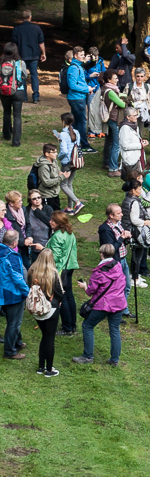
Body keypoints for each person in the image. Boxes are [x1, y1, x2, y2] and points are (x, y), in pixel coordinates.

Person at [74, 243, 126, 365]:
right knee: (114, 330)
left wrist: (84, 286)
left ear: (101, 254)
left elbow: (90, 291)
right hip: (119, 303)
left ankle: (87, 357)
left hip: (104, 305)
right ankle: (114, 360)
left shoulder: (99, 272)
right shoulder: (118, 266)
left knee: (87, 325)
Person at [26, 251, 63, 376]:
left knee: (44, 336)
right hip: (51, 309)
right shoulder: (53, 274)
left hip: (37, 309)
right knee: (49, 338)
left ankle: (41, 367)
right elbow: (59, 292)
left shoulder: (32, 272)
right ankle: (49, 369)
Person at [46, 211, 77, 337]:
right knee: (69, 296)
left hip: (60, 270)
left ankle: (67, 328)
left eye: (53, 221)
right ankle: (72, 325)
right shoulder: (69, 233)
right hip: (70, 266)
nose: (50, 222)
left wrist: (43, 250)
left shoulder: (58, 236)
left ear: (59, 223)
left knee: (61, 298)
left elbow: (55, 257)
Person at [0, 228, 27, 360]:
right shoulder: (12, 256)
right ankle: (10, 351)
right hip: (12, 294)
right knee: (14, 323)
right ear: (15, 244)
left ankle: (18, 342)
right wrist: (27, 292)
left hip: (2, 293)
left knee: (14, 320)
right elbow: (18, 278)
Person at [63, 47, 92, 153]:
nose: (83, 56)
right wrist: (86, 89)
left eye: (84, 54)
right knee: (81, 122)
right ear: (75, 56)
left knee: (75, 122)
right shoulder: (74, 68)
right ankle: (84, 145)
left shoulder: (78, 66)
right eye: (81, 55)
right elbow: (72, 85)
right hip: (76, 98)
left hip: (79, 97)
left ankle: (74, 143)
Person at [11, 9, 44, 103]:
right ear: (30, 17)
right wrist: (43, 53)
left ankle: (24, 97)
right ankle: (36, 97)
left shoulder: (17, 29)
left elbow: (14, 44)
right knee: (34, 75)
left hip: (21, 56)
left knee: (22, 76)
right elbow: (41, 42)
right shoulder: (36, 28)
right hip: (34, 56)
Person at [1, 42, 26, 145]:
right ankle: (16, 141)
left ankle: (6, 134)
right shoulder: (20, 62)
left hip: (3, 90)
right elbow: (25, 75)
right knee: (17, 115)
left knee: (6, 112)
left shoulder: (1, 62)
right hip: (18, 90)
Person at [33, 144, 63, 213]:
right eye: (54, 152)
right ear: (47, 154)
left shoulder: (54, 161)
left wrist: (61, 174)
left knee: (57, 213)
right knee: (50, 214)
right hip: (47, 195)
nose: (56, 154)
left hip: (54, 193)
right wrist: (62, 177)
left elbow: (58, 173)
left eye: (56, 151)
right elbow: (47, 183)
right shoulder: (43, 167)